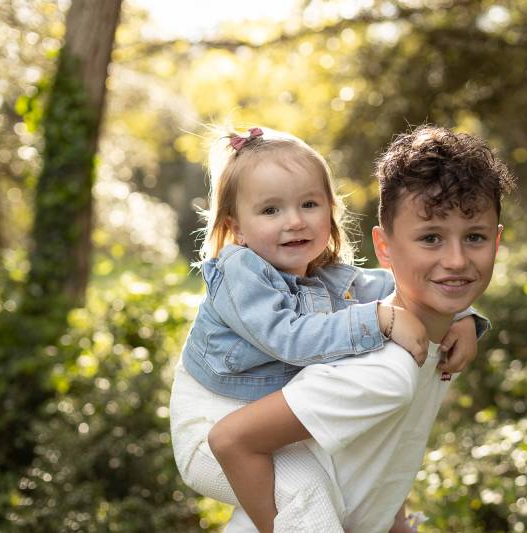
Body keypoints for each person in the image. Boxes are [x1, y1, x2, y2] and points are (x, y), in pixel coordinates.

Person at [169, 126, 489, 532]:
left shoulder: (326, 275)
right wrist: (378, 319)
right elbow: (289, 337)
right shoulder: (240, 273)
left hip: (254, 421)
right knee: (305, 491)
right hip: (210, 425)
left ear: (330, 210)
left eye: (309, 204)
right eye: (270, 210)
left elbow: (404, 287)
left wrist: (463, 317)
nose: (294, 221)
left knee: (324, 487)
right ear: (237, 227)